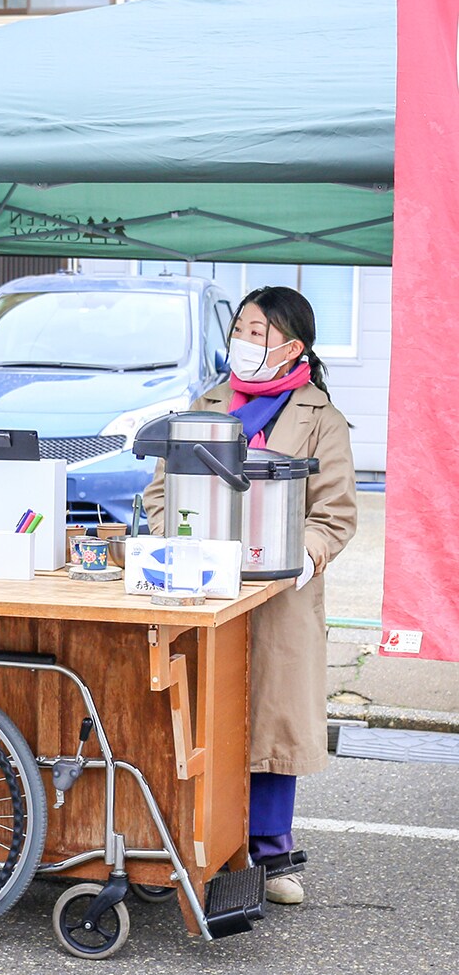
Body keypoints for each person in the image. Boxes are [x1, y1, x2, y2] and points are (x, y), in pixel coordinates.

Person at [143, 285, 357, 905]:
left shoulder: (323, 419)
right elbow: (161, 492)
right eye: (240, 328)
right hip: (199, 589)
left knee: (267, 721)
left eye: (257, 332)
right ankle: (193, 843)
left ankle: (269, 853)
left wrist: (303, 558)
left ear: (293, 347)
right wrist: (175, 544)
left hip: (277, 597)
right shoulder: (206, 403)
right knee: (201, 716)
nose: (243, 340)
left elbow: (336, 515)